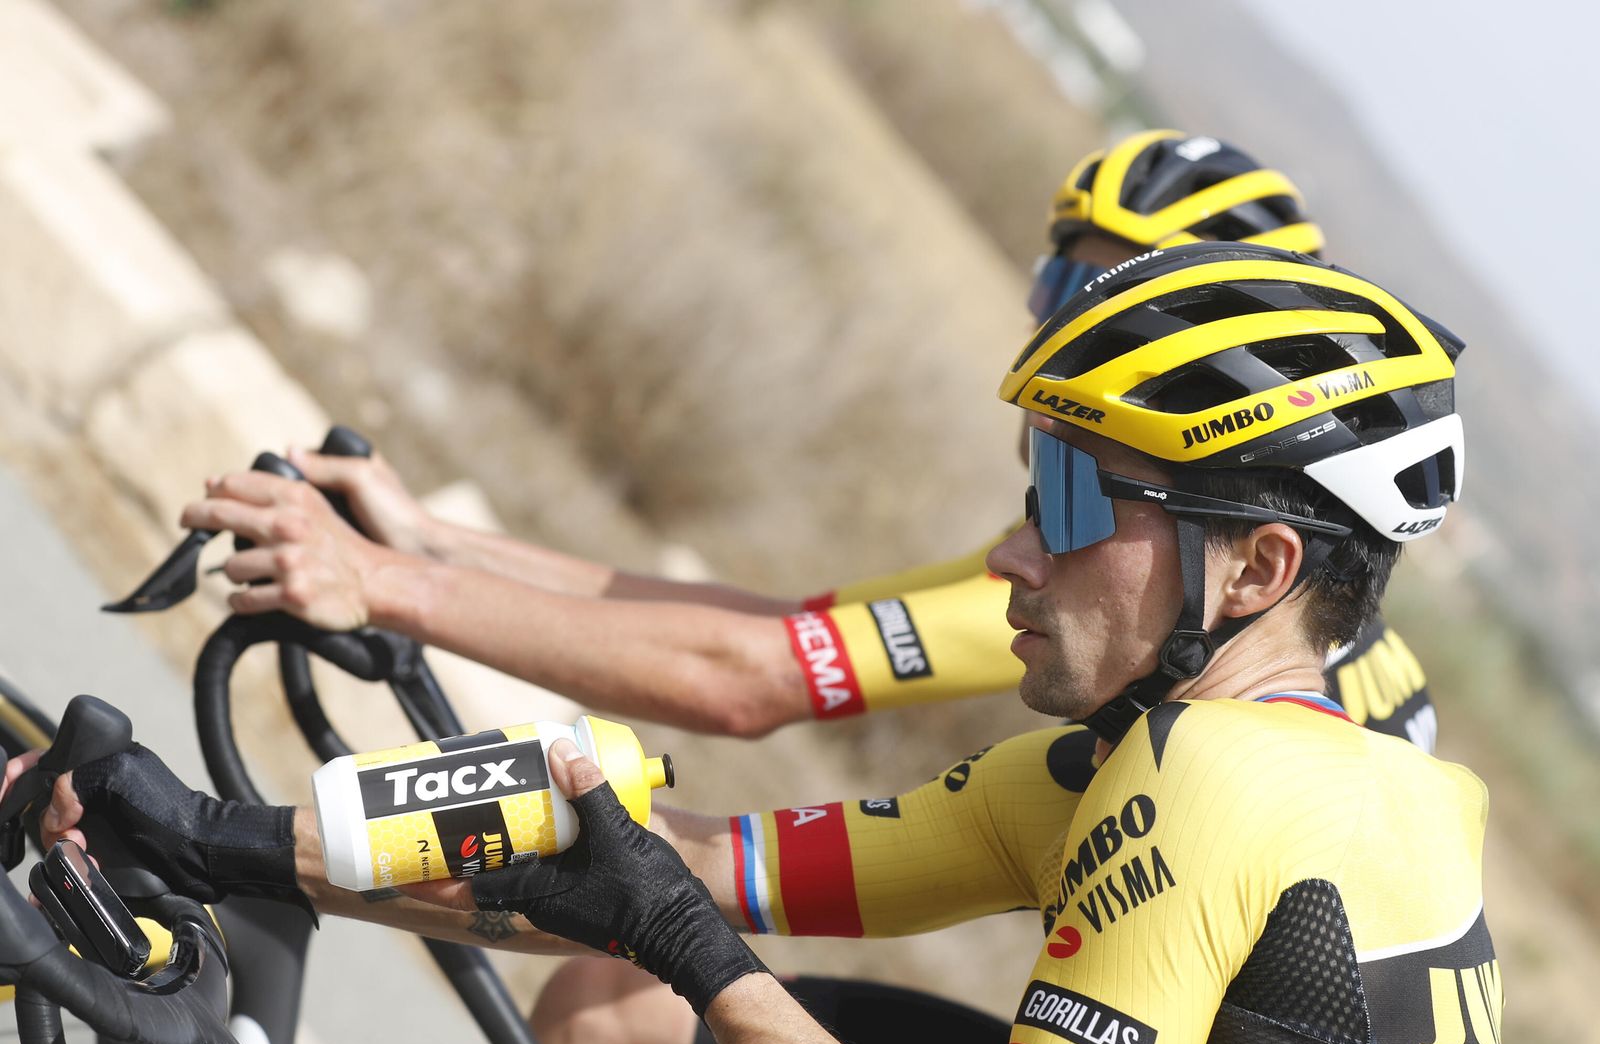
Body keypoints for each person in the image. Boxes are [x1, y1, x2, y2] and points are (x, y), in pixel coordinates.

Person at [10, 244, 1501, 1044]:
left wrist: (702, 958)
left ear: (1261, 567)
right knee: (629, 1000)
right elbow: (661, 864)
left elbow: (681, 914)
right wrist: (219, 841)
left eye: (1067, 499)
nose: (1011, 555)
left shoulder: (1221, 783)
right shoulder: (1190, 766)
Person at [190, 129, 1434, 753]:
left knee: (620, 998)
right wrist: (429, 542)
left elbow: (753, 679)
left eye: (1104, 302)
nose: (1059, 327)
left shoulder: (1147, 565)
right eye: (1061, 282)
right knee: (614, 983)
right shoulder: (1126, 530)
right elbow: (789, 622)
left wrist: (385, 587)